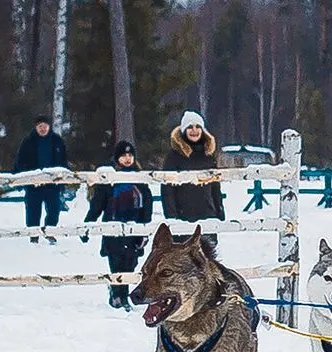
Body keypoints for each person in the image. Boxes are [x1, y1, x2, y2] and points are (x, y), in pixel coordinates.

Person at [84, 141, 154, 310]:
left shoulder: (140, 179)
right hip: (113, 230)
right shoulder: (110, 179)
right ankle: (117, 295)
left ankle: (124, 294)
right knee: (116, 263)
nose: (128, 159)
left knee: (130, 264)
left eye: (130, 155)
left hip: (134, 230)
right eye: (124, 155)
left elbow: (147, 204)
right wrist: (87, 226)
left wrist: (145, 229)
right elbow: (97, 205)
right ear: (117, 158)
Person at [162, 111, 226, 247]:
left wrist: (219, 210)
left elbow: (215, 186)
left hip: (208, 213)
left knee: (207, 259)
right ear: (184, 130)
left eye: (198, 127)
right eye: (190, 127)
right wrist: (172, 217)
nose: (194, 131)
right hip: (183, 216)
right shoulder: (174, 156)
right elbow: (168, 190)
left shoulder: (208, 155)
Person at [12, 116, 69, 244]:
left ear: (49, 127)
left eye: (45, 126)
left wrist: (63, 179)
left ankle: (49, 231)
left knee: (54, 209)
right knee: (33, 210)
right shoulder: (28, 142)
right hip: (34, 184)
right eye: (40, 126)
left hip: (52, 183)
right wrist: (21, 179)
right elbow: (20, 161)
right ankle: (33, 234)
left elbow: (64, 161)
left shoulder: (57, 141)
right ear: (36, 128)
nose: (43, 129)